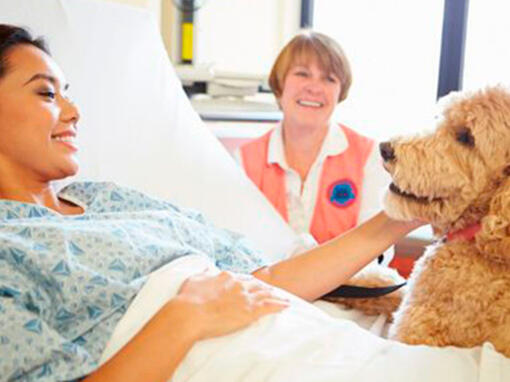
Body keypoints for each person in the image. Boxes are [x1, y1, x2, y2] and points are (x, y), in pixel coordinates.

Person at [0, 25, 421, 381]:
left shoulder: (110, 199)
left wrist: (399, 217)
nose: (74, 112)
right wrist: (185, 316)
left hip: (301, 334)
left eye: (67, 93)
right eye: (46, 94)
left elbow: (264, 278)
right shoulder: (10, 245)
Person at [237, 31, 390, 254]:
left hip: (349, 287)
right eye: (302, 74)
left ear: (341, 92)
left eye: (329, 78)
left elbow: (377, 247)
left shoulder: (369, 157)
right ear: (280, 85)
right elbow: (237, 242)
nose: (314, 87)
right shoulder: (244, 161)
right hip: (264, 286)